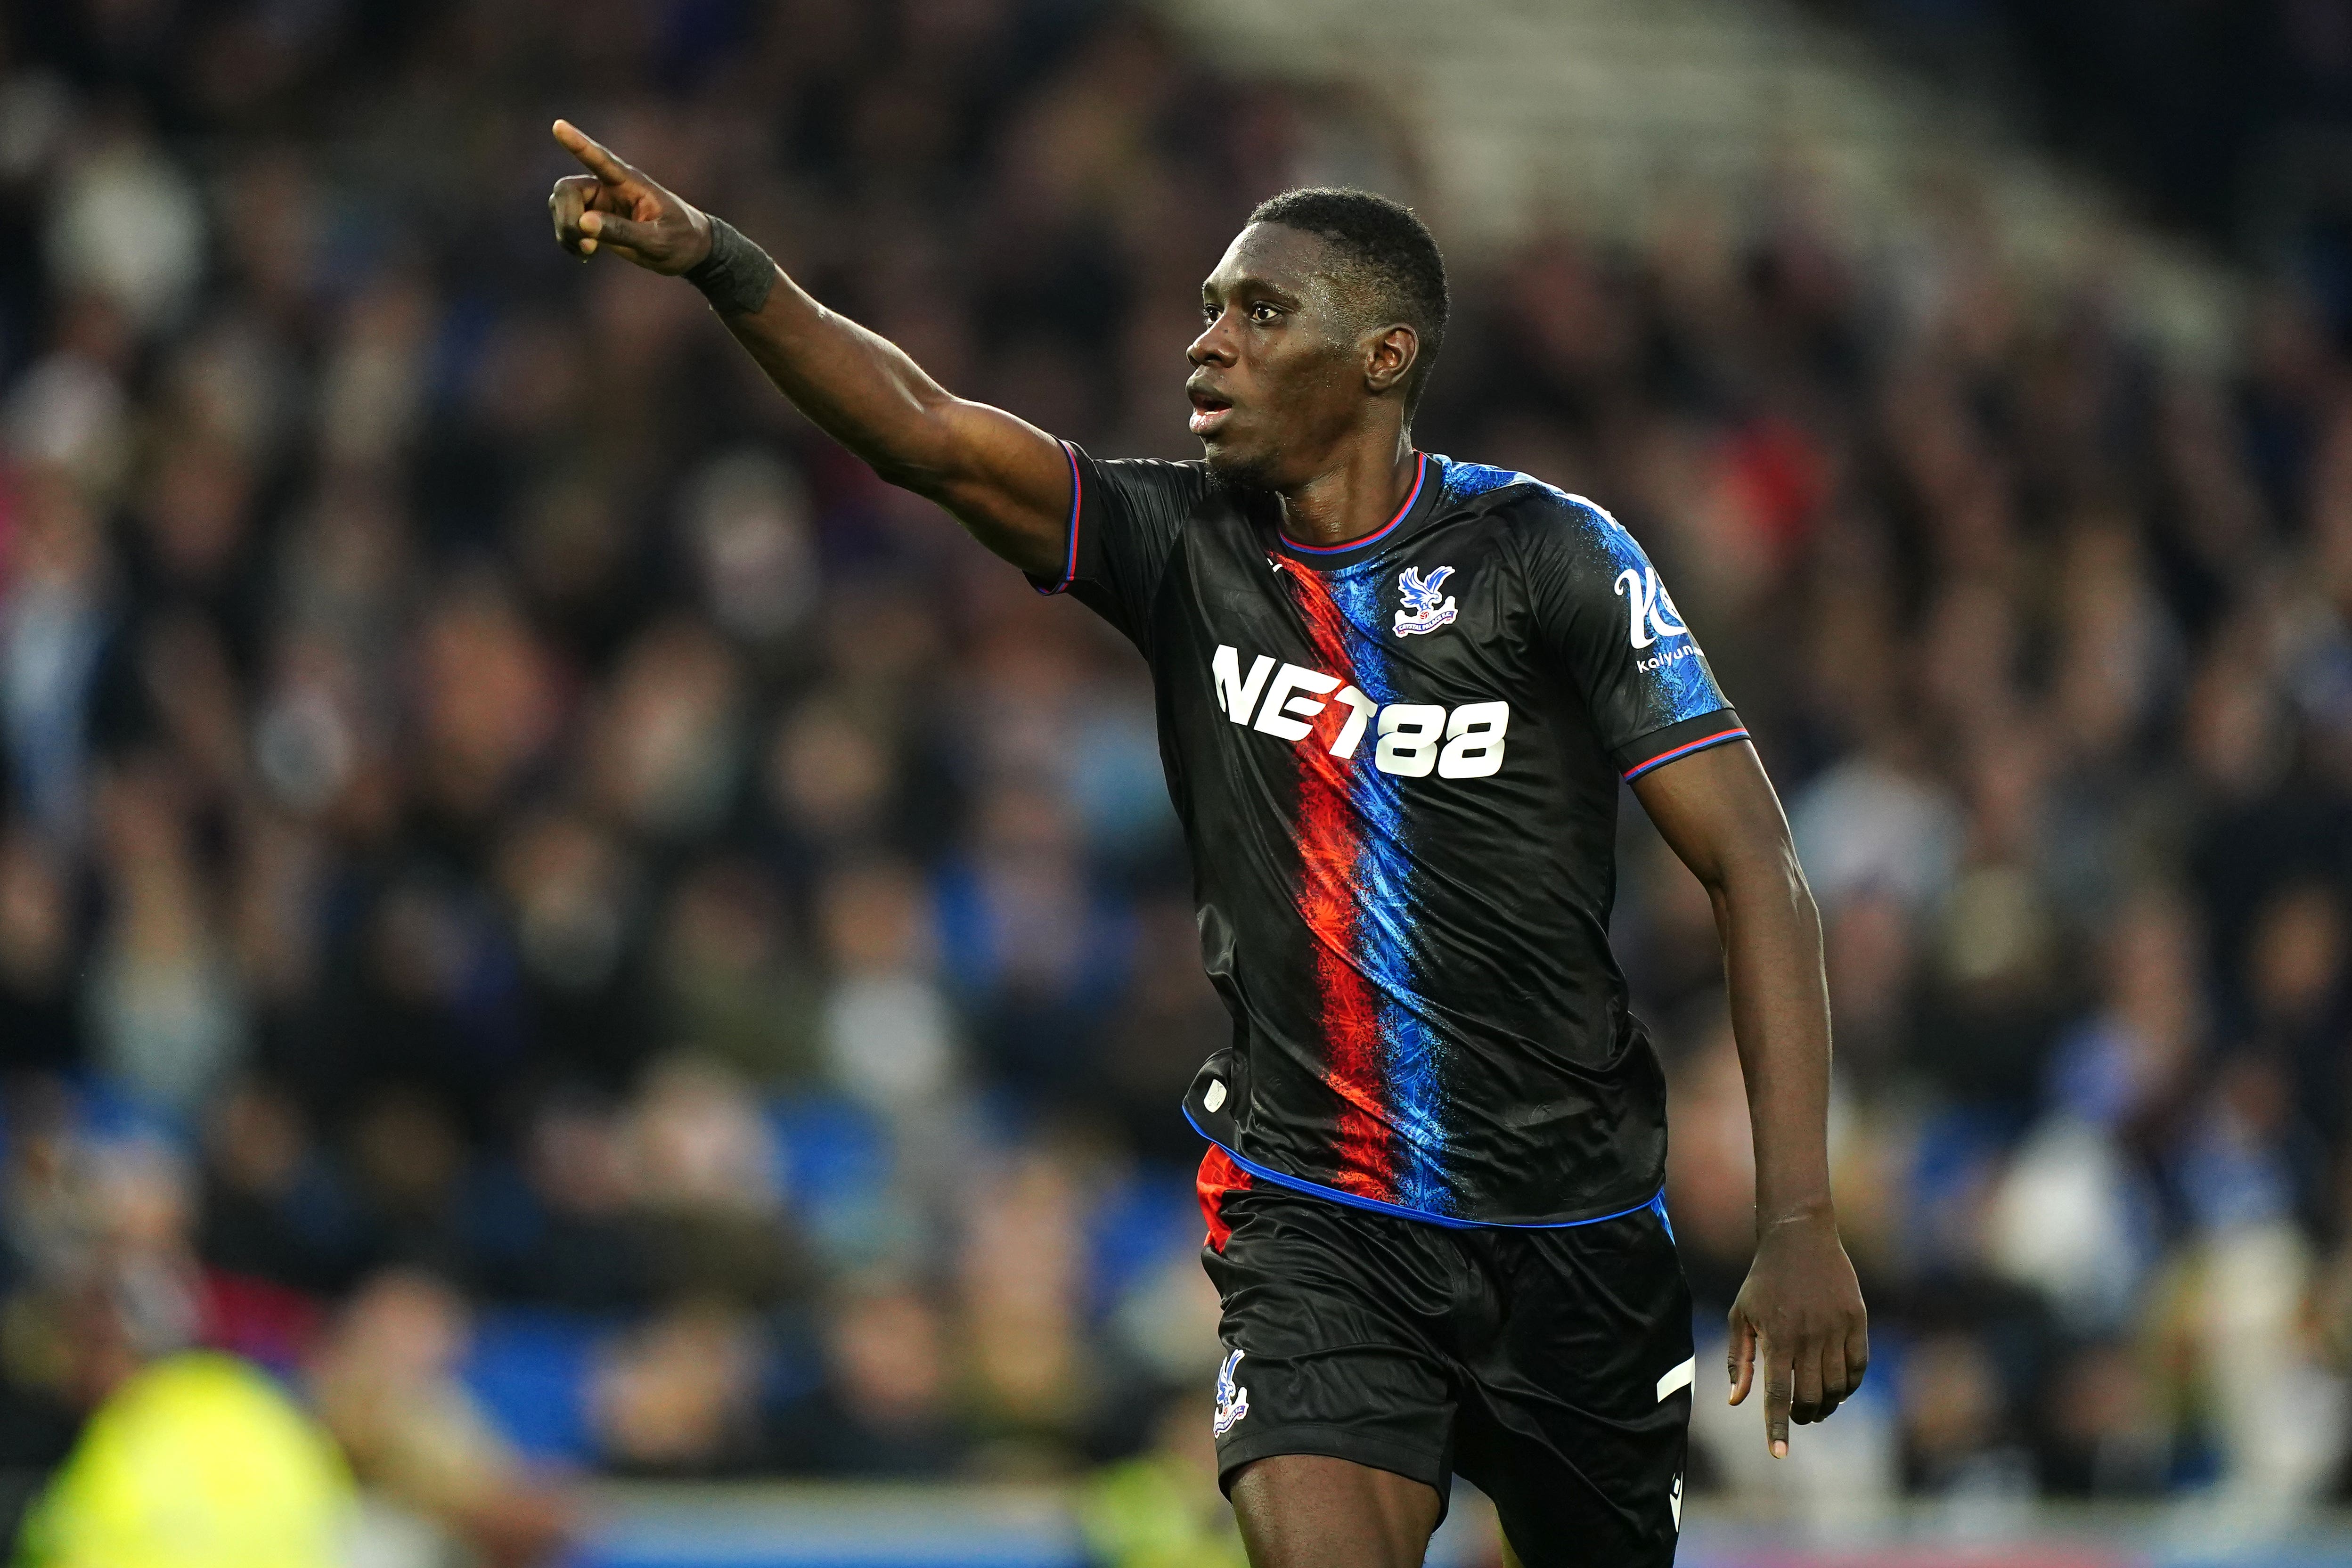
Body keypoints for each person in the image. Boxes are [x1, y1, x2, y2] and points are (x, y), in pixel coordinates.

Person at [547, 119, 1867, 1568]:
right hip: (1316, 1219)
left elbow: (1757, 869)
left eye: (1261, 312)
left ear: (1384, 357)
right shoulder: (1178, 544)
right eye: (1208, 311)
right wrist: (725, 266)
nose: (1211, 343)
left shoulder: (1548, 557)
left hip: (1572, 1231)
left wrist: (1797, 1213)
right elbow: (922, 430)